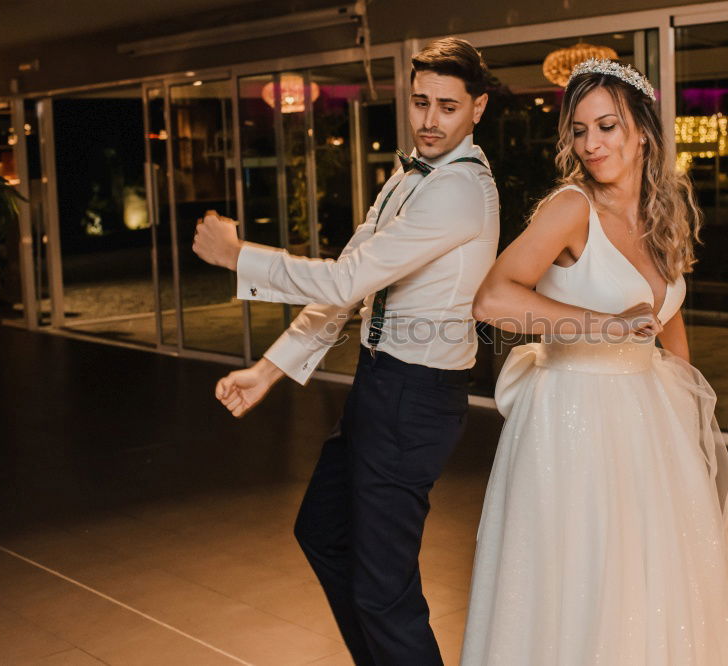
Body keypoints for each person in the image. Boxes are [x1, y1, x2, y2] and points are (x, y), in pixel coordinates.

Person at [191, 38, 499, 666]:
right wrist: (268, 370)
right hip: (381, 385)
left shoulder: (459, 190)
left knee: (385, 591)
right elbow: (353, 285)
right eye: (420, 103)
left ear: (478, 109)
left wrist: (239, 256)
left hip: (415, 396)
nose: (430, 120)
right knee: (323, 533)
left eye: (447, 106)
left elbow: (341, 282)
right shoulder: (410, 177)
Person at [462, 58, 728, 665]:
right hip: (573, 415)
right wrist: (605, 326)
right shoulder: (571, 209)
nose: (591, 144)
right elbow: (492, 298)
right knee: (585, 575)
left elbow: (666, 313)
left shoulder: (662, 211)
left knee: (656, 578)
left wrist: (689, 418)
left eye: (607, 127)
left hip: (648, 420)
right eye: (579, 130)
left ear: (643, 132)